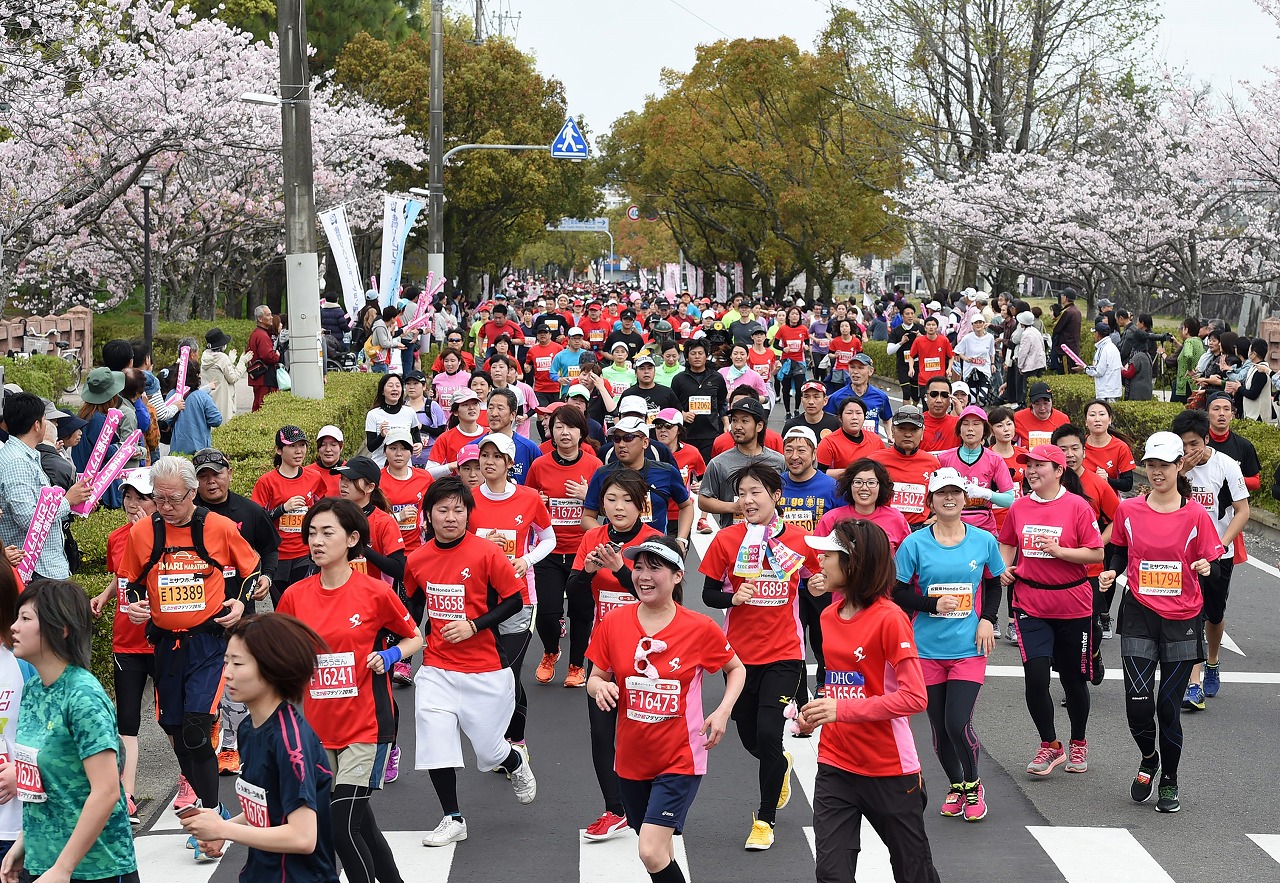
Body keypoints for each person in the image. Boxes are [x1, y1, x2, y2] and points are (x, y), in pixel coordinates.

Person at [119, 456, 260, 859]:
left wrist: (240, 603)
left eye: (173, 499)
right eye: (157, 499)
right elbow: (129, 581)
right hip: (164, 645)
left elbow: (252, 572)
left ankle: (211, 819)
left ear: (192, 493)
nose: (164, 506)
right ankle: (206, 804)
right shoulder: (144, 533)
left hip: (208, 644)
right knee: (177, 732)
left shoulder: (218, 527)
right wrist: (135, 604)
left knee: (199, 729)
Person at [276, 498, 422, 883]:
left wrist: (389, 655)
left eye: (327, 533)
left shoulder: (374, 593)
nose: (317, 541)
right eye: (311, 533)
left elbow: (415, 638)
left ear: (352, 538)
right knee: (362, 826)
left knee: (341, 825)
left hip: (367, 725)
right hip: (318, 729)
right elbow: (283, 656)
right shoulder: (295, 596)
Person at [587, 537, 745, 883]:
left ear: (677, 576)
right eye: (638, 567)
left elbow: (737, 669)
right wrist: (602, 687)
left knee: (650, 850)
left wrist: (722, 712)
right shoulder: (614, 623)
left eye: (654, 567)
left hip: (680, 758)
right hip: (630, 758)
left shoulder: (699, 628)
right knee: (660, 850)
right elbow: (595, 677)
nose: (643, 575)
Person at [797, 520, 940, 883]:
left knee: (914, 874)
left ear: (854, 563)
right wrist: (818, 711)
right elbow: (845, 684)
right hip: (836, 764)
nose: (820, 560)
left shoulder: (890, 619)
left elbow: (914, 697)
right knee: (831, 874)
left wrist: (841, 710)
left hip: (890, 770)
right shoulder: (829, 615)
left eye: (828, 555)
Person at [405, 478, 538, 847]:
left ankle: (512, 762)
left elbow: (513, 600)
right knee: (434, 739)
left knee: (489, 749)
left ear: (468, 514)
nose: (451, 517)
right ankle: (452, 817)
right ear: (428, 515)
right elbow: (413, 608)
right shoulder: (416, 560)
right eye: (442, 510)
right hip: (436, 667)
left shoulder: (486, 553)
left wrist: (474, 625)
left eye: (458, 510)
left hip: (486, 669)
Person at [1099, 432, 1224, 814]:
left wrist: (1206, 567)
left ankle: (1169, 778)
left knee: (1168, 707)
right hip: (1138, 613)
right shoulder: (1130, 509)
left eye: (1163, 466)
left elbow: (1215, 566)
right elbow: (1119, 550)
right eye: (1150, 465)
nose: (1155, 472)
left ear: (1178, 466)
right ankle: (1148, 758)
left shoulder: (1196, 515)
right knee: (1138, 703)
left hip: (1183, 619)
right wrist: (1110, 573)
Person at [699, 463, 821, 850]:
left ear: (776, 497)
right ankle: (779, 765)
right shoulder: (726, 540)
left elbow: (824, 582)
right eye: (742, 493)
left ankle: (764, 819)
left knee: (770, 733)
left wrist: (820, 584)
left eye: (756, 493)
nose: (747, 501)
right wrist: (732, 597)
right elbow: (708, 595)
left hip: (785, 653)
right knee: (751, 736)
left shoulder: (801, 541)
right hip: (738, 659)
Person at [180, 613, 338, 880]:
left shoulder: (290, 741)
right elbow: (267, 806)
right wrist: (221, 829)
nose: (227, 673)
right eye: (225, 660)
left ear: (272, 668)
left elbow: (303, 837)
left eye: (238, 663)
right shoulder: (248, 727)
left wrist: (225, 830)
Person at [5, 579, 138, 883]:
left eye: (25, 618)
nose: (14, 627)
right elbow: (45, 784)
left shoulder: (83, 696)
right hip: (44, 864)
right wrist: (24, 843)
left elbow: (105, 792)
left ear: (61, 628)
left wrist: (64, 868)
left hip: (95, 868)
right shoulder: (34, 688)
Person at [892, 468, 1005, 822]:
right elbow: (897, 592)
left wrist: (987, 619)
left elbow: (993, 583)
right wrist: (930, 604)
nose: (950, 498)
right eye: (942, 493)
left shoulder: (983, 540)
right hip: (925, 649)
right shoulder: (914, 543)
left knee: (958, 723)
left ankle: (973, 786)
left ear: (964, 497)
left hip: (968, 648)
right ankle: (957, 786)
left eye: (955, 492)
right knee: (939, 729)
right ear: (931, 501)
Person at [997, 445, 1103, 777]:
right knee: (1036, 678)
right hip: (1030, 603)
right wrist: (1003, 566)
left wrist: (1061, 552)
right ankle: (1049, 745)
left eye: (1039, 465)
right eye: (1028, 465)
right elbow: (1008, 542)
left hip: (1072, 604)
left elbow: (1096, 554)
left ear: (1058, 471)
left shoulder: (1078, 507)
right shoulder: (1019, 507)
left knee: (1073, 681)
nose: (1031, 470)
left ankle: (1079, 741)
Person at [568, 470, 663, 841]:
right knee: (602, 732)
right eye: (610, 499)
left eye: (627, 500)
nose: (618, 507)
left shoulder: (653, 541)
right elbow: (575, 599)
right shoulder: (592, 537)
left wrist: (621, 568)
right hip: (604, 651)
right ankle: (615, 808)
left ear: (641, 505)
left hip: (648, 652)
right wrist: (588, 572)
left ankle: (656, 798)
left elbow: (654, 595)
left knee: (646, 730)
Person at [191, 448, 279, 775]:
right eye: (203, 476)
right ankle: (216, 727)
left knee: (237, 676)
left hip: (240, 609)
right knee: (208, 678)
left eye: (216, 473)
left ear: (228, 473)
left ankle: (232, 745)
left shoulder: (250, 512)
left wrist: (267, 577)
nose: (211, 481)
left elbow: (270, 550)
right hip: (198, 612)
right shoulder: (189, 513)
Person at [470, 433, 554, 757]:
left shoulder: (529, 498)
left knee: (509, 673)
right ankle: (497, 741)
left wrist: (526, 559)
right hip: (480, 598)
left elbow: (549, 538)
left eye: (496, 456)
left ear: (509, 463)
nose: (488, 462)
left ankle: (516, 742)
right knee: (491, 674)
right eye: (484, 455)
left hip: (520, 597)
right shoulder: (468, 499)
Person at [89, 470, 160, 818]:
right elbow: (121, 576)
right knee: (127, 720)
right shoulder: (117, 537)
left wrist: (145, 534)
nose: (133, 504)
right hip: (126, 642)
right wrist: (104, 596)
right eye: (128, 497)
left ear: (157, 501)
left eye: (140, 498)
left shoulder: (168, 536)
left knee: (174, 719)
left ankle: (190, 784)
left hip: (164, 641)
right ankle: (127, 794)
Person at [1172, 409, 1250, 711]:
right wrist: (1180, 471)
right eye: (1184, 445)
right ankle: (1194, 684)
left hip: (1219, 553)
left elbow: (1242, 511)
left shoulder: (1227, 466)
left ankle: (1213, 661)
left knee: (1214, 616)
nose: (1189, 451)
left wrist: (1221, 545)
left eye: (1194, 444)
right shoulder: (1176, 466)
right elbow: (1161, 495)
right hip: (1184, 553)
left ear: (1206, 439)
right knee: (1192, 614)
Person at [525, 406, 602, 688]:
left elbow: (611, 508)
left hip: (584, 552)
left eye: (571, 427)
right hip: (549, 550)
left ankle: (576, 666)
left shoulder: (594, 466)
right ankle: (550, 651)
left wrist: (589, 495)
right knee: (547, 612)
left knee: (581, 612)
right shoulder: (540, 465)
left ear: (582, 432)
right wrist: (539, 501)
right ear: (551, 432)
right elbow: (529, 499)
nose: (565, 433)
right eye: (559, 427)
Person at [0, 394, 90, 580]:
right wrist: (67, 501)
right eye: (45, 419)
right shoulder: (16, 462)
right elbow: (27, 518)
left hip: (43, 564)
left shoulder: (24, 455)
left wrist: (75, 503)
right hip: (35, 568)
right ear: (37, 425)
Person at [1051, 424, 1119, 666]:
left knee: (1088, 626)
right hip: (1054, 569)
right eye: (1063, 449)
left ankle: (1093, 656)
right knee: (1061, 627)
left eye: (1075, 448)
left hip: (1089, 571)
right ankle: (1072, 674)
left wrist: (1097, 543)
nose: (1069, 454)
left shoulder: (1098, 484)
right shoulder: (1047, 483)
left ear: (1084, 450)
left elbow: (1117, 519)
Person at [582, 417, 693, 541]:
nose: (621, 444)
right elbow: (587, 517)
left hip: (654, 551)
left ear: (645, 442)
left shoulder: (666, 471)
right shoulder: (603, 473)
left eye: (628, 438)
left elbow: (686, 506)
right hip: (616, 550)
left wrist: (681, 540)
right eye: (617, 439)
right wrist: (606, 540)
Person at [253, 426, 327, 604]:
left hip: (305, 554)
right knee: (283, 607)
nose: (299, 451)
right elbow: (256, 522)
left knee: (305, 604)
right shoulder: (266, 482)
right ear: (279, 450)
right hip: (277, 556)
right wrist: (282, 509)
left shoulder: (314, 477)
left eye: (302, 445)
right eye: (292, 446)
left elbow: (324, 511)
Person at [698, 398, 786, 530]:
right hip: (733, 537)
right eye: (734, 420)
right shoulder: (719, 463)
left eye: (744, 421)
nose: (737, 426)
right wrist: (733, 507)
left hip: (772, 535)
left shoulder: (778, 461)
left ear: (759, 426)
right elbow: (703, 501)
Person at [935, 406, 1016, 535]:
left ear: (985, 430)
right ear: (959, 430)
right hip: (949, 527)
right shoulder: (944, 459)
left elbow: (1010, 499)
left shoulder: (995, 460)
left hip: (984, 529)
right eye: (965, 424)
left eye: (976, 424)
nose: (970, 429)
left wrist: (985, 493)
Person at [868, 406, 940, 530]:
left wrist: (935, 518)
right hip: (883, 528)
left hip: (921, 529)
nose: (907, 434)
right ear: (892, 430)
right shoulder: (875, 460)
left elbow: (939, 497)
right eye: (901, 429)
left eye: (914, 429)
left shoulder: (932, 463)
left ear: (922, 433)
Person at [670, 339, 729, 464]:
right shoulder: (679, 379)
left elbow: (722, 402)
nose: (697, 357)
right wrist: (683, 414)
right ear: (686, 357)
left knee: (707, 472)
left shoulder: (716, 377)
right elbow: (672, 405)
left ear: (706, 356)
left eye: (700, 353)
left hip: (710, 434)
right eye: (693, 353)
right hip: (686, 435)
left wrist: (726, 424)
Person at [651, 409, 706, 535]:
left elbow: (706, 478)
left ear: (679, 430)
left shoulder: (692, 453)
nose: (662, 430)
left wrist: (701, 485)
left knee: (678, 553)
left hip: (680, 514)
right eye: (658, 426)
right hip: (654, 515)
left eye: (668, 426)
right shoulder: (647, 452)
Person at [815, 397, 885, 479]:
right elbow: (817, 473)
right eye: (849, 413)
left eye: (859, 413)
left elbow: (884, 468)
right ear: (840, 418)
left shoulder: (875, 440)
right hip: (840, 488)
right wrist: (850, 473)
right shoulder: (829, 442)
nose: (854, 417)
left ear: (864, 417)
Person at [165, 359, 224, 455]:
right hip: (200, 452)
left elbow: (167, 420)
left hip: (177, 452)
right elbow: (217, 420)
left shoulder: (172, 395)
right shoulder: (203, 397)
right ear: (196, 376)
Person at [365, 374, 423, 468]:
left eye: (398, 385)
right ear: (382, 391)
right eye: (390, 386)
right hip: (380, 468)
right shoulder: (373, 414)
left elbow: (415, 434)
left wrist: (419, 444)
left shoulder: (409, 412)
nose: (395, 388)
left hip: (405, 468)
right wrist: (381, 436)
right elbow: (370, 447)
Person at [1081, 400, 1136, 493]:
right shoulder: (1078, 445)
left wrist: (1107, 479)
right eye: (1092, 415)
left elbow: (1127, 484)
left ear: (1110, 419)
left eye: (1102, 414)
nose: (1097, 419)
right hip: (1081, 501)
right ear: (1086, 421)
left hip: (1109, 502)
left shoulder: (1121, 447)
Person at [201, 327, 249, 421]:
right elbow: (232, 378)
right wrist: (242, 362)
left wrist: (230, 362)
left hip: (209, 397)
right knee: (222, 423)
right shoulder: (222, 357)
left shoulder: (205, 355)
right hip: (222, 400)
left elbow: (218, 373)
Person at [429, 388, 486, 466]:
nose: (471, 408)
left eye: (475, 403)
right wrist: (455, 465)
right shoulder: (445, 438)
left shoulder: (489, 434)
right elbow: (430, 471)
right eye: (465, 404)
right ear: (455, 412)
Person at [908, 315, 954, 402]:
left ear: (937, 327)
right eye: (928, 325)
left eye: (933, 325)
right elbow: (911, 356)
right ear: (925, 328)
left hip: (939, 381)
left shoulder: (944, 340)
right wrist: (911, 368)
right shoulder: (919, 341)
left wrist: (949, 369)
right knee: (926, 407)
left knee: (939, 406)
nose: (931, 327)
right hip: (924, 381)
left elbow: (951, 357)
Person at [773, 307, 809, 417]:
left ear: (799, 317)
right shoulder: (783, 329)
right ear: (788, 316)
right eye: (792, 314)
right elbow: (775, 344)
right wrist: (782, 349)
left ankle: (797, 410)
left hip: (799, 362)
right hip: (787, 362)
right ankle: (788, 412)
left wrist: (806, 347)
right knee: (786, 388)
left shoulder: (803, 329)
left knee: (799, 388)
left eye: (797, 314)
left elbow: (807, 342)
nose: (794, 316)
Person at [248, 304, 283, 411]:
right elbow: (268, 356)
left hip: (258, 377)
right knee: (263, 407)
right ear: (260, 319)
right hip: (265, 378)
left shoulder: (256, 333)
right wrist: (277, 355)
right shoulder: (262, 336)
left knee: (257, 405)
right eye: (268, 315)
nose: (271, 317)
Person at [1014, 382, 1069, 448]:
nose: (1042, 408)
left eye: (1046, 403)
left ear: (1052, 401)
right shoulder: (1018, 418)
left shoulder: (1063, 419)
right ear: (1031, 403)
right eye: (1037, 404)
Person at [887, 305, 923, 403]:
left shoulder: (920, 329)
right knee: (906, 391)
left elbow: (930, 346)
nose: (910, 316)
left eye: (912, 314)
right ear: (902, 316)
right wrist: (901, 342)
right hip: (902, 365)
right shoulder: (896, 331)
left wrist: (922, 339)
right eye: (907, 314)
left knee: (915, 394)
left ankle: (914, 413)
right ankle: (905, 413)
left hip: (917, 365)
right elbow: (889, 351)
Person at [304, 425, 347, 497]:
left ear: (341, 447)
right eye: (323, 445)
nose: (328, 449)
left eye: (333, 445)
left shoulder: (350, 470)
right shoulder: (307, 472)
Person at [1083, 322, 1123, 401]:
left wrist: (1084, 368)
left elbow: (1098, 371)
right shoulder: (1113, 347)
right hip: (1114, 392)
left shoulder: (1103, 349)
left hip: (1105, 393)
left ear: (1097, 334)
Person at [919, 377, 959, 453]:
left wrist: (962, 414)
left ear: (950, 399)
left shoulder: (959, 424)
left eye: (944, 395)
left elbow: (980, 438)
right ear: (926, 397)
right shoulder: (915, 423)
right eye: (934, 394)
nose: (939, 400)